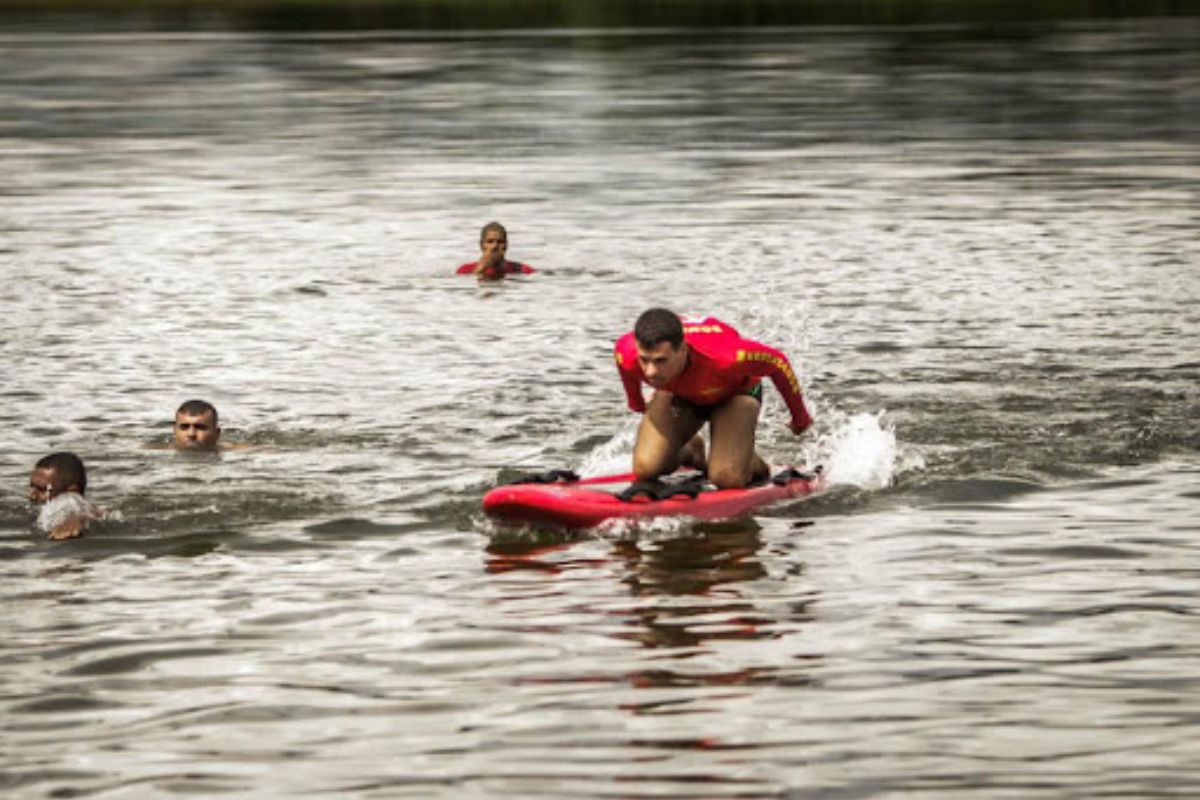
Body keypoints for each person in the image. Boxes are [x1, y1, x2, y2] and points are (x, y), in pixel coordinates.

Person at [614, 308, 814, 490]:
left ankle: (748, 461)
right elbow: (624, 367)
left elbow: (778, 362)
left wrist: (800, 418)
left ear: (682, 350)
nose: (650, 372)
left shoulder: (727, 357)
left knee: (726, 478)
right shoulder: (626, 352)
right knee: (646, 469)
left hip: (735, 395)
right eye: (644, 360)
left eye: (660, 361)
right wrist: (637, 404)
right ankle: (691, 451)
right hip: (681, 394)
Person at [28, 452, 99, 540]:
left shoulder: (72, 501)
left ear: (72, 491)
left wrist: (75, 520)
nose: (31, 496)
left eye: (42, 489)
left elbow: (76, 507)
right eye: (32, 487)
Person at [455, 222, 535, 280]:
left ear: (506, 245)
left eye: (500, 242)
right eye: (490, 241)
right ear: (481, 245)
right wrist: (480, 269)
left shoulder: (523, 270)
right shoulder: (465, 270)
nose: (495, 246)